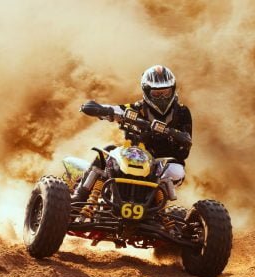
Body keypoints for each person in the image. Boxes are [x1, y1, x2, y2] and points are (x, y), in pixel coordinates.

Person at [73, 65, 192, 202]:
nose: (162, 98)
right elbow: (116, 109)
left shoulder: (182, 112)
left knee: (176, 171)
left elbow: (185, 148)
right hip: (135, 155)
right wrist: (98, 109)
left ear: (173, 89)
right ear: (147, 92)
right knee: (108, 152)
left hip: (163, 162)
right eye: (156, 94)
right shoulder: (137, 108)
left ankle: (157, 208)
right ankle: (80, 195)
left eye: (166, 92)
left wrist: (169, 133)